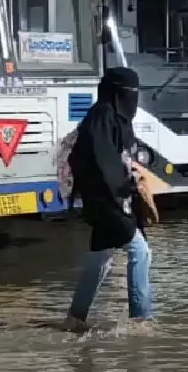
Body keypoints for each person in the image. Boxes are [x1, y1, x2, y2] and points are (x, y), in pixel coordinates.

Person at [65, 66, 157, 329]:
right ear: (117, 93)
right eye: (130, 93)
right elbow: (102, 162)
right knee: (140, 251)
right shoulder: (102, 118)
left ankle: (75, 318)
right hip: (107, 201)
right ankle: (141, 320)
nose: (134, 99)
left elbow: (122, 156)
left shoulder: (116, 119)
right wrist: (125, 187)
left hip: (110, 200)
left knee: (100, 259)